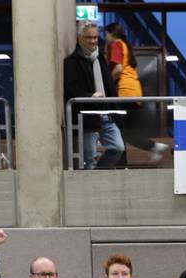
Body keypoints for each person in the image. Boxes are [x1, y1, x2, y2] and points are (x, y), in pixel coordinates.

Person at [103, 22, 168, 163]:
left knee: (122, 132)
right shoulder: (126, 46)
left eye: (106, 33)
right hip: (133, 92)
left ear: (112, 34)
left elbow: (118, 69)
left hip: (124, 92)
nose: (105, 37)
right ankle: (151, 148)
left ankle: (150, 148)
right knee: (125, 132)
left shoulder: (116, 44)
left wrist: (106, 85)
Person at [63, 21, 124, 169]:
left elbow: (109, 86)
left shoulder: (100, 59)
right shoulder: (72, 62)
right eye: (89, 37)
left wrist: (115, 108)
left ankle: (98, 175)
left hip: (105, 113)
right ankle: (92, 187)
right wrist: (90, 96)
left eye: (96, 37)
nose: (93, 41)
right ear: (79, 38)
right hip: (87, 116)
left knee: (117, 148)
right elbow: (71, 87)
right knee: (89, 159)